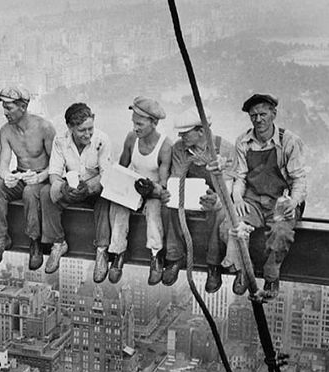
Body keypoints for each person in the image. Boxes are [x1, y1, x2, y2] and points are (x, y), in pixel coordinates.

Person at [223, 93, 307, 300]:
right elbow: (240, 177)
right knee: (234, 224)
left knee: (281, 232)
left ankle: (271, 276)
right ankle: (243, 270)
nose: (258, 120)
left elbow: (299, 179)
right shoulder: (243, 142)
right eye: (253, 116)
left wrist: (294, 202)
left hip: (281, 201)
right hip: (253, 200)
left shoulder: (289, 141)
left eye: (262, 114)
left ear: (273, 114)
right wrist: (238, 199)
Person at [161, 108, 235, 291]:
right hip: (188, 194)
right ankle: (175, 256)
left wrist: (216, 199)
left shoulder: (225, 149)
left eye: (185, 133)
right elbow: (177, 178)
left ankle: (213, 264)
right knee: (170, 206)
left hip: (215, 197)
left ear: (201, 131)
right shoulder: (179, 148)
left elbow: (228, 188)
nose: (180, 136)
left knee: (218, 212)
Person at [0, 87, 56, 270]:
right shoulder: (6, 131)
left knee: (30, 192)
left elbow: (56, 164)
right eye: (4, 107)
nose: (5, 112)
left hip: (42, 177)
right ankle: (1, 238)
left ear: (23, 107)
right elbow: (3, 163)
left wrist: (40, 176)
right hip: (21, 174)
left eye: (9, 107)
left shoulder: (45, 128)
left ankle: (35, 242)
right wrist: (6, 176)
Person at [107, 97, 172, 285]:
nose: (135, 128)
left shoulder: (165, 147)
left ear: (154, 123)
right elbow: (123, 166)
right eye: (134, 123)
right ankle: (118, 252)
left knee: (153, 211)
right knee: (118, 206)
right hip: (132, 186)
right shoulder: (131, 138)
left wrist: (152, 188)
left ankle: (155, 255)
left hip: (151, 191)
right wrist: (119, 185)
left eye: (140, 124)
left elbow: (163, 183)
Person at [44, 103, 112, 280]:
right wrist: (63, 188)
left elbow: (107, 175)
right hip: (71, 187)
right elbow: (54, 173)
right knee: (46, 194)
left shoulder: (102, 140)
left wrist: (89, 188)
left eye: (90, 128)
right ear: (70, 127)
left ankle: (102, 251)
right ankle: (58, 243)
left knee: (105, 199)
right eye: (82, 130)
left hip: (94, 188)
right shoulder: (60, 140)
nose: (88, 134)